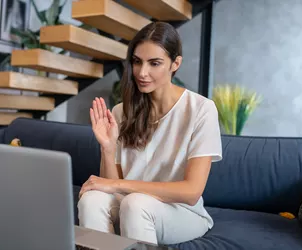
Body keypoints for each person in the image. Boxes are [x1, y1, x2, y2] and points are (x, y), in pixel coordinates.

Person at [77, 21, 222, 246]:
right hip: (129, 205)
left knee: (135, 204)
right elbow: (112, 185)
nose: (142, 73)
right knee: (91, 200)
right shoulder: (120, 111)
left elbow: (191, 192)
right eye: (137, 62)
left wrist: (117, 186)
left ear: (175, 64)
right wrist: (108, 148)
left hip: (181, 213)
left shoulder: (201, 110)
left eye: (154, 63)